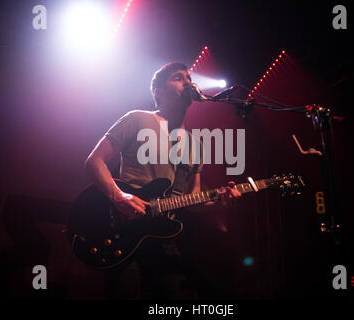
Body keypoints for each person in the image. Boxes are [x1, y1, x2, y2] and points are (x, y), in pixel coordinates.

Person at [84, 62, 241, 299]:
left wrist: (218, 202)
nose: (188, 81)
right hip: (123, 232)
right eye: (179, 78)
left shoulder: (195, 146)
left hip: (164, 242)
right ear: (158, 91)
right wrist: (119, 196)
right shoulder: (137, 119)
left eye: (189, 77)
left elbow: (194, 199)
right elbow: (94, 161)